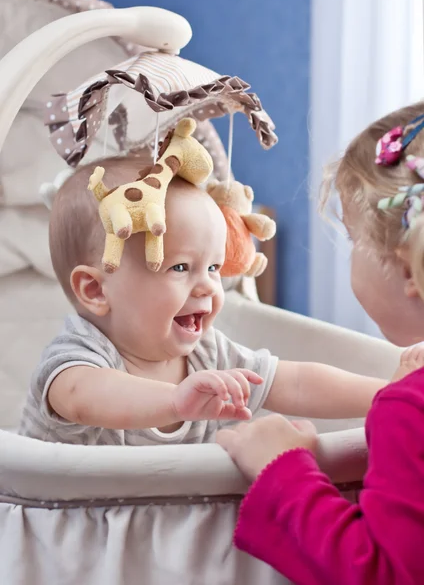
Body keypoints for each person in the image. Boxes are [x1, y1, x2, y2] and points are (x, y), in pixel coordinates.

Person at [20, 153, 385, 446]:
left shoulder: (207, 354)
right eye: (180, 267)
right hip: (77, 530)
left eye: (212, 267)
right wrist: (174, 400)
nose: (209, 287)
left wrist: (389, 395)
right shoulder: (78, 358)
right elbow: (83, 397)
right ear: (96, 290)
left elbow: (295, 383)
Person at [217, 102, 424, 585]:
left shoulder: (409, 410)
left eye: (353, 240)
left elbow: (384, 574)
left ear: (408, 270)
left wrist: (282, 469)